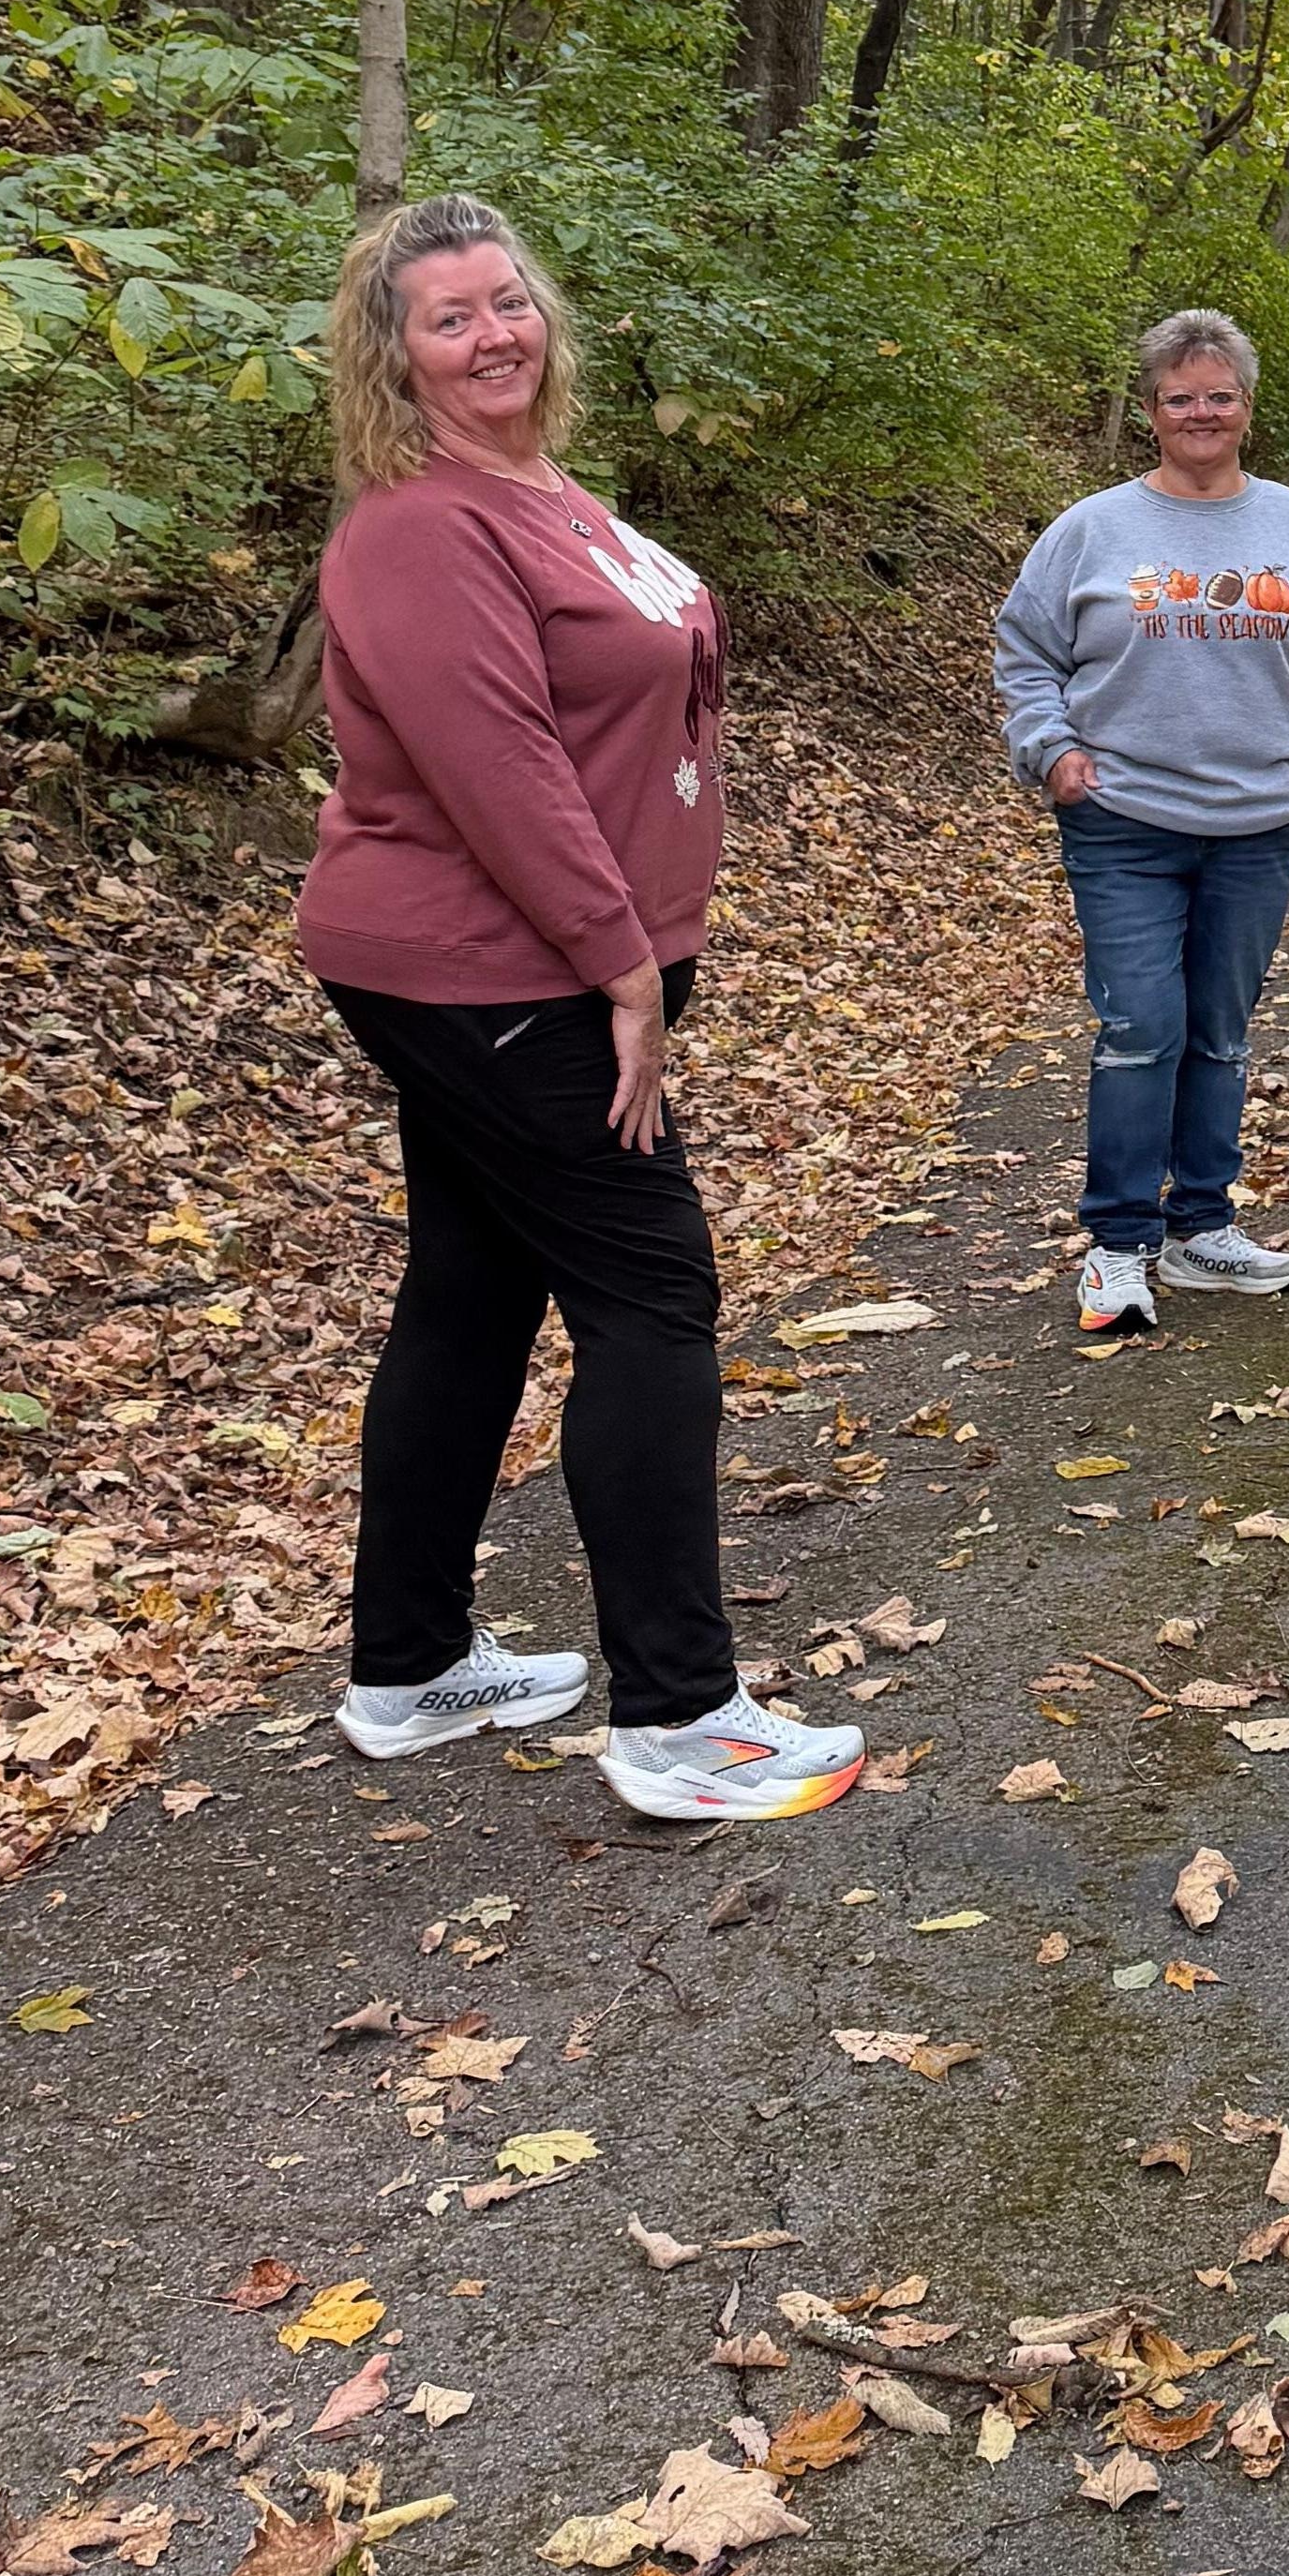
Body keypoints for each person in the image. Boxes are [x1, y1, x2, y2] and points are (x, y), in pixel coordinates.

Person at [295, 190, 860, 1823]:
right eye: (449, 318)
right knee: (650, 1294)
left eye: (508, 301)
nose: (493, 334)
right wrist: (620, 964)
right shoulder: (416, 525)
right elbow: (496, 765)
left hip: (549, 952)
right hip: (493, 965)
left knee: (472, 1289)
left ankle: (406, 1665)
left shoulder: (545, 495)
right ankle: (678, 1719)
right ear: (392, 359)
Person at [992, 308, 1289, 1344]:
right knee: (1140, 1031)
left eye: (1218, 394)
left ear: (1246, 407)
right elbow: (1026, 651)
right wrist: (1051, 748)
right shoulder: (1092, 529)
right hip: (1123, 820)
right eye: (1179, 397)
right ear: (1152, 412)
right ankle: (1120, 1242)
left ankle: (1200, 1225)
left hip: (1261, 822)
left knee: (1218, 1033)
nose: (1200, 412)